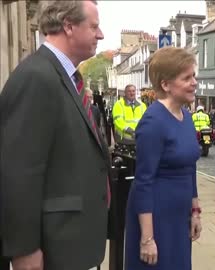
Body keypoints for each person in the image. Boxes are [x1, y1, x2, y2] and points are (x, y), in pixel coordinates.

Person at [0, 1, 109, 270]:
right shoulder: (36, 77)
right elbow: (19, 171)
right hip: (53, 249)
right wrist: (24, 250)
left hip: (72, 245)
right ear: (68, 26)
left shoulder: (64, 76)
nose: (101, 34)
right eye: (94, 26)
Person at [124, 47, 202, 270]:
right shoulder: (152, 122)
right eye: (186, 77)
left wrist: (195, 212)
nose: (194, 82)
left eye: (193, 75)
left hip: (179, 217)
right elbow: (143, 182)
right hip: (156, 218)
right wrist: (147, 238)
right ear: (165, 84)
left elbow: (190, 168)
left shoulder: (186, 117)